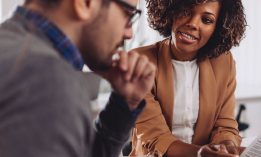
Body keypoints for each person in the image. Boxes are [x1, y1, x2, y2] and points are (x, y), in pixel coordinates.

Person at [0, 0, 156, 157]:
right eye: (128, 14)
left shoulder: (12, 44)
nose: (130, 33)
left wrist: (124, 104)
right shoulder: (50, 82)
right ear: (85, 3)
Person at [129, 0, 247, 156]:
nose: (192, 23)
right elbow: (156, 137)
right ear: (171, 11)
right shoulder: (139, 61)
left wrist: (226, 147)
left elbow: (224, 125)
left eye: (207, 20)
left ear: (216, 28)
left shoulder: (224, 62)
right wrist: (202, 154)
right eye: (186, 11)